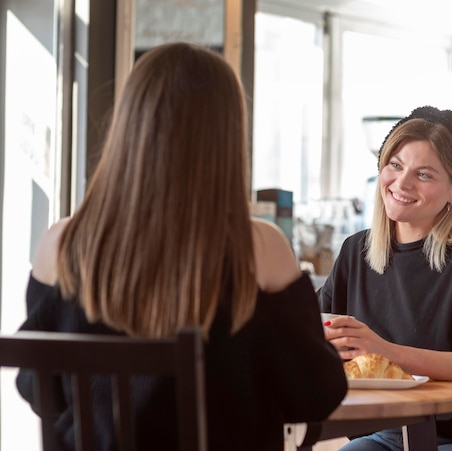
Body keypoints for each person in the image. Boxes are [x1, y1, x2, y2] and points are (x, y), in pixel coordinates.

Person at [16, 42, 347, 451]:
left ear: (128, 126)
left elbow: (36, 388)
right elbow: (315, 395)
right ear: (226, 139)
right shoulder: (258, 249)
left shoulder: (60, 243)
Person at [319, 106, 452, 451]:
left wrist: (386, 352)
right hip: (386, 435)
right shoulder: (354, 252)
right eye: (395, 165)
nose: (401, 183)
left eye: (425, 174)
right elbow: (314, 333)